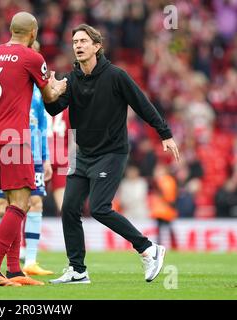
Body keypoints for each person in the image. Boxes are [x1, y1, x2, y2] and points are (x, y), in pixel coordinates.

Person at [45, 24, 180, 284]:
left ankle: (149, 249)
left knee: (99, 208)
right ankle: (77, 270)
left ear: (97, 46)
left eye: (84, 41)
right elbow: (53, 110)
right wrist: (49, 92)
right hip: (83, 153)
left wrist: (165, 133)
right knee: (69, 208)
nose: (78, 45)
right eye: (75, 42)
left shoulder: (116, 76)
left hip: (112, 152)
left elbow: (142, 104)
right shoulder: (71, 79)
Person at [0, 11, 67, 286]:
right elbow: (50, 97)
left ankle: (15, 269)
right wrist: (60, 86)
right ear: (34, 33)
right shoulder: (31, 57)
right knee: (21, 203)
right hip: (15, 138)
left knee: (10, 202)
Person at [46, 108, 70, 215]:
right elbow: (73, 137)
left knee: (33, 204)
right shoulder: (67, 109)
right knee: (64, 206)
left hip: (41, 158)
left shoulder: (36, 103)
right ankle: (70, 231)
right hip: (62, 158)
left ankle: (25, 232)